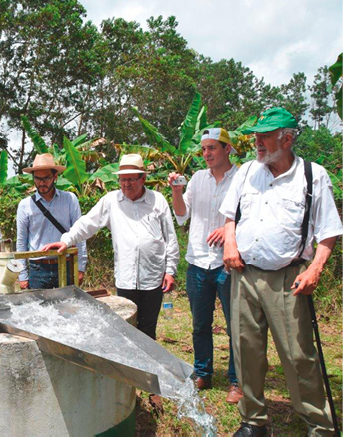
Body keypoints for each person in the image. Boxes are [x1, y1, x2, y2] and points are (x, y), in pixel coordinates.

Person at [220, 107, 343, 437]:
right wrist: (230, 244)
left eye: (265, 136)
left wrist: (315, 268)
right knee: (246, 351)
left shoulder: (312, 176)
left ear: (287, 139)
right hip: (244, 275)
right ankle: (253, 421)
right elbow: (230, 216)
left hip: (288, 278)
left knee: (298, 356)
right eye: (256, 136)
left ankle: (320, 426)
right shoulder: (247, 172)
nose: (257, 142)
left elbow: (329, 231)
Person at [43, 154, 179, 340]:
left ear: (143, 179)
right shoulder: (111, 201)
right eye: (122, 180)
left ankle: (147, 369)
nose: (126, 184)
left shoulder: (158, 200)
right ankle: (129, 369)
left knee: (148, 330)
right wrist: (67, 240)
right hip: (126, 278)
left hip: (153, 277)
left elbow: (170, 238)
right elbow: (87, 224)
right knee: (126, 331)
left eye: (131, 179)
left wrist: (170, 270)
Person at [168, 128, 242, 404]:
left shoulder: (242, 179)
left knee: (236, 324)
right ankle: (203, 373)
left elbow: (250, 215)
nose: (207, 154)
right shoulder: (197, 179)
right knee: (200, 324)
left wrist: (228, 230)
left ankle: (236, 381)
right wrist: (177, 191)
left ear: (227, 149)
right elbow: (182, 216)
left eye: (212, 148)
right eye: (204, 149)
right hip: (198, 260)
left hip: (229, 263)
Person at [16, 154, 87, 289]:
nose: (42, 183)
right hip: (37, 268)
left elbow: (80, 234)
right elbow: (21, 241)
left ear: (55, 177)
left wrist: (81, 267)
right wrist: (23, 275)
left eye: (46, 178)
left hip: (65, 264)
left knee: (67, 307)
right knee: (38, 309)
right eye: (37, 178)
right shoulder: (25, 205)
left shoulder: (70, 200)